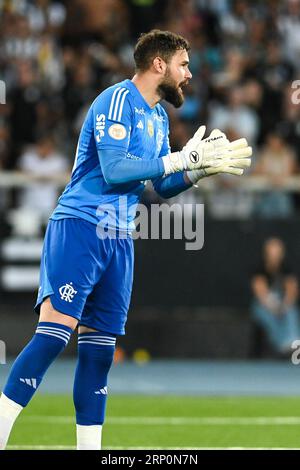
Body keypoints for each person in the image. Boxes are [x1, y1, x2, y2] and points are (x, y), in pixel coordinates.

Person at [0, 29, 251, 450]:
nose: (188, 74)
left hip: (120, 238)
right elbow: (116, 170)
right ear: (159, 64)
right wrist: (176, 158)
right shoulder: (116, 101)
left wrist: (199, 170)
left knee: (99, 352)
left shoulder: (158, 118)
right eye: (183, 64)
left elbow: (161, 186)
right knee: (55, 334)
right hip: (80, 226)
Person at [251, 237, 300, 355]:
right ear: (266, 253)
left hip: (283, 303)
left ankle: (294, 342)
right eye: (272, 253)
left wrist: (285, 305)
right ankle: (283, 344)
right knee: (265, 314)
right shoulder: (259, 269)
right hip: (264, 305)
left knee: (291, 311)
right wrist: (273, 306)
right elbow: (261, 293)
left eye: (277, 253)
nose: (275, 256)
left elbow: (292, 291)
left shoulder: (287, 269)